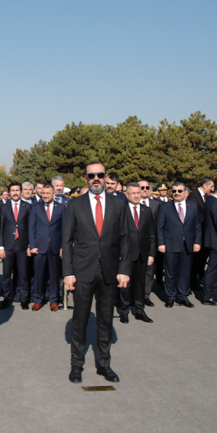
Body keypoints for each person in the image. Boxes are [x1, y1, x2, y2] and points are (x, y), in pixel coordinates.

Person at [64, 162, 131, 384]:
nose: (96, 178)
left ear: (105, 177)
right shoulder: (75, 204)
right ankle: (76, 365)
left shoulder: (118, 204)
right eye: (91, 175)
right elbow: (67, 240)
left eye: (100, 175)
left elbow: (125, 239)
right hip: (83, 271)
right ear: (85, 178)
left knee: (105, 320)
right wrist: (68, 272)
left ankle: (104, 364)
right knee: (80, 319)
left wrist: (124, 270)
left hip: (109, 271)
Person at [157, 182, 202, 308]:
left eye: (179, 191)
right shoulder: (165, 207)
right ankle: (170, 296)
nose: (176, 193)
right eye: (174, 191)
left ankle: (183, 296)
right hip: (171, 244)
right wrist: (161, 243)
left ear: (186, 193)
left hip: (188, 244)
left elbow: (197, 226)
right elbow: (160, 227)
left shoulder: (193, 206)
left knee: (185, 272)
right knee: (170, 272)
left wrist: (197, 242)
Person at [117, 183, 154, 323]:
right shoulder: (121, 210)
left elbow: (151, 234)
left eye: (138, 192)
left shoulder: (147, 210)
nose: (137, 195)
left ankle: (140, 310)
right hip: (126, 253)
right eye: (133, 193)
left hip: (142, 253)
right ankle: (124, 311)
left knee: (140, 283)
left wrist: (151, 254)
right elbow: (116, 234)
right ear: (127, 194)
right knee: (125, 284)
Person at [28, 184, 64, 311]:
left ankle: (54, 300)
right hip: (39, 247)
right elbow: (31, 228)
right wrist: (32, 245)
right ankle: (38, 299)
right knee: (39, 275)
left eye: (48, 193)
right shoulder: (36, 207)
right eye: (43, 193)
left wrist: (63, 246)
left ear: (53, 194)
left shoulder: (61, 208)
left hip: (55, 246)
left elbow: (64, 228)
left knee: (54, 275)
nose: (45, 195)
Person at [0, 182, 32, 309]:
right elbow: (0, 228)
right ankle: (6, 298)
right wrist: (1, 247)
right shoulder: (3, 207)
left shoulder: (27, 207)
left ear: (20, 192)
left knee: (23, 274)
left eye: (17, 190)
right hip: (8, 246)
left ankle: (24, 298)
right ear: (9, 192)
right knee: (6, 275)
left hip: (22, 245)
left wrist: (29, 245)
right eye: (13, 190)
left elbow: (30, 227)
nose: (15, 193)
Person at [187, 177, 214, 292]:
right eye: (211, 186)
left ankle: (196, 281)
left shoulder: (204, 197)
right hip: (196, 234)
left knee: (200, 261)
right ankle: (191, 283)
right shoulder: (194, 196)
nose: (212, 189)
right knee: (194, 261)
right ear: (205, 186)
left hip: (203, 233)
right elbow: (192, 216)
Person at [138, 180, 160, 306]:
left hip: (149, 243)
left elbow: (158, 226)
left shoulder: (156, 205)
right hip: (133, 244)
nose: (145, 189)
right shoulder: (128, 204)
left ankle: (146, 295)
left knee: (148, 271)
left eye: (147, 187)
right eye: (142, 187)